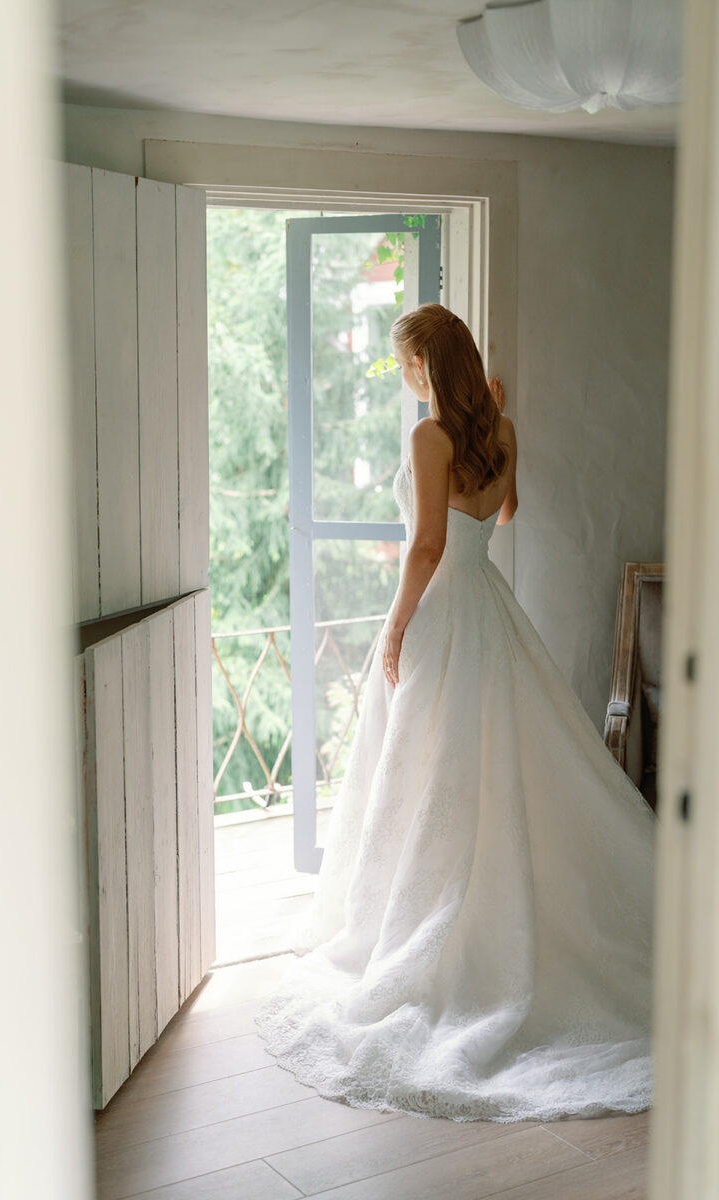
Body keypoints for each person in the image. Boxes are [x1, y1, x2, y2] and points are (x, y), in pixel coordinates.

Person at [255, 302, 657, 1124]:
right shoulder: (500, 429)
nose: (406, 376)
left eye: (408, 363)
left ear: (428, 367)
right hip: (493, 607)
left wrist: (394, 625)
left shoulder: (427, 438)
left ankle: (426, 924)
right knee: (486, 759)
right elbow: (504, 517)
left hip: (443, 609)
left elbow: (428, 546)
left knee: (428, 761)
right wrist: (498, 426)